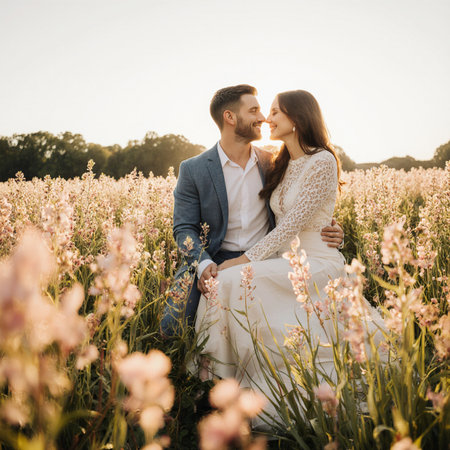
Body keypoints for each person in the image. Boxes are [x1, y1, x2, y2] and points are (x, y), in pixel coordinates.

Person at [193, 90, 385, 423]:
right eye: (264, 111)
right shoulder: (280, 160)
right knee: (225, 283)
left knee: (230, 278)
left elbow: (292, 225)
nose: (267, 118)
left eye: (274, 112)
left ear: (295, 119)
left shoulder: (323, 160)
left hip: (317, 262)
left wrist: (244, 260)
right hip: (286, 259)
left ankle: (221, 385)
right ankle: (215, 384)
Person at [160, 85, 344, 336]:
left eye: (268, 111)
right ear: (230, 117)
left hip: (265, 257)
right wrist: (203, 264)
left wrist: (333, 230)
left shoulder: (273, 162)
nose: (263, 118)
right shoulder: (194, 169)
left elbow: (305, 208)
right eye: (255, 110)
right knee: (171, 326)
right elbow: (183, 228)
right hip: (214, 257)